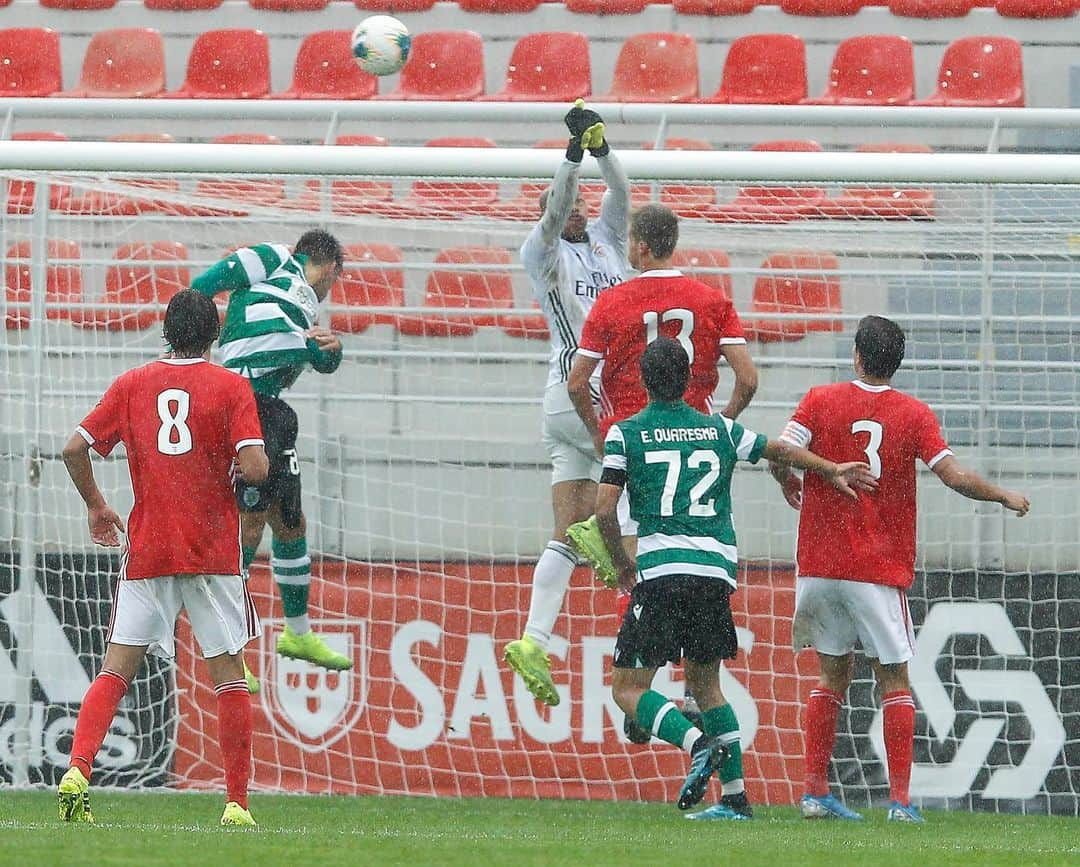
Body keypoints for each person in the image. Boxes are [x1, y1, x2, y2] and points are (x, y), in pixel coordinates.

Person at [598, 338, 875, 817]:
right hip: (714, 575)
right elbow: (777, 449)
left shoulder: (626, 433)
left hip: (662, 570)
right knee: (706, 686)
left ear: (643, 382)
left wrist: (623, 565)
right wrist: (830, 468)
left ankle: (696, 742)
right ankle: (735, 799)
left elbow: (604, 508)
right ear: (689, 380)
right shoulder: (720, 429)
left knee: (627, 687)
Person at [771, 315, 1030, 823]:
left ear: (856, 355)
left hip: (819, 565)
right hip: (874, 567)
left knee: (831, 673)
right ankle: (900, 803)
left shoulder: (819, 400)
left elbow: (779, 449)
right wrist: (1001, 494)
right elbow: (952, 476)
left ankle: (814, 793)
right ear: (898, 363)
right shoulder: (913, 414)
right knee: (894, 681)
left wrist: (790, 476)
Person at [57, 290, 269, 827]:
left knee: (114, 671)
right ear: (214, 335)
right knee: (229, 678)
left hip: (149, 548)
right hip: (212, 553)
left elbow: (73, 447)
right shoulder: (230, 386)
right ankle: (237, 805)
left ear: (166, 331)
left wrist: (97, 506)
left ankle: (79, 770)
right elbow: (257, 466)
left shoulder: (132, 385)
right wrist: (247, 466)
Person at [503, 100, 632, 708]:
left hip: (566, 407)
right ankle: (615, 556)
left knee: (564, 533)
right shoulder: (542, 252)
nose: (579, 207)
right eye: (570, 201)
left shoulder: (608, 244)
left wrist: (601, 149)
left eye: (584, 201)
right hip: (581, 393)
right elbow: (556, 208)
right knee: (636, 479)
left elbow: (624, 192)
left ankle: (532, 640)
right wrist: (572, 155)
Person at [192, 230, 350, 692]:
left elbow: (302, 358)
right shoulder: (275, 259)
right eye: (335, 281)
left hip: (272, 410)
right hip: (243, 403)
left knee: (290, 522)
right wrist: (199, 355)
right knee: (249, 524)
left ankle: (298, 634)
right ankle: (226, 649)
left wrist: (328, 355)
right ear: (330, 268)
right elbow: (203, 284)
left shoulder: (302, 307)